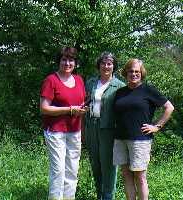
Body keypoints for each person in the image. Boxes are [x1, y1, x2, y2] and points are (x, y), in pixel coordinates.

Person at [113, 58, 174, 200]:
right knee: (126, 175)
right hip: (120, 138)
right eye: (130, 71)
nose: (133, 74)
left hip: (140, 140)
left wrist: (157, 126)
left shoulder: (148, 90)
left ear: (141, 73)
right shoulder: (120, 92)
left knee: (139, 176)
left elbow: (169, 107)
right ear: (125, 73)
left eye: (137, 71)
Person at [40, 47, 87, 200]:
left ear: (75, 63)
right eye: (64, 59)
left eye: (71, 60)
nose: (67, 63)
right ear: (59, 61)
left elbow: (80, 104)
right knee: (58, 170)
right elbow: (44, 108)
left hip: (75, 130)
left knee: (72, 170)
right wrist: (69, 110)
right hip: (55, 132)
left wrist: (82, 111)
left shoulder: (79, 80)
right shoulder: (51, 80)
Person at [84, 52, 125, 200]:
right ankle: (99, 195)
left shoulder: (120, 86)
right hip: (91, 127)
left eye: (109, 63)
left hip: (109, 130)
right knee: (95, 164)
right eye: (103, 63)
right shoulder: (91, 82)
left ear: (114, 66)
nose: (106, 66)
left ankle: (108, 197)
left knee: (108, 167)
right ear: (99, 65)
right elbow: (85, 103)